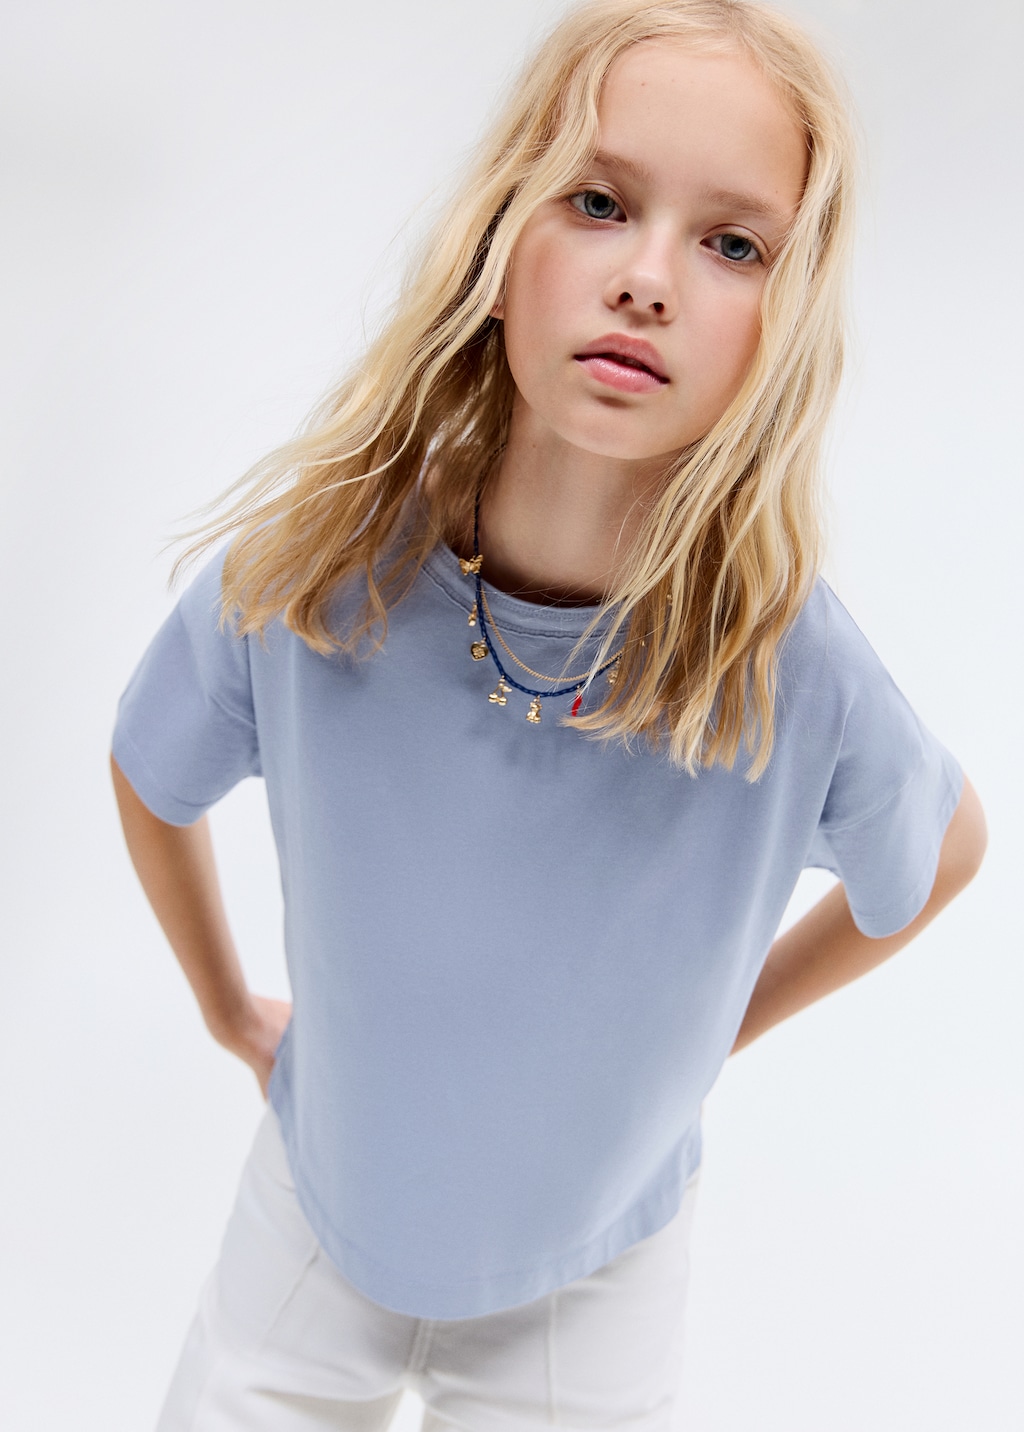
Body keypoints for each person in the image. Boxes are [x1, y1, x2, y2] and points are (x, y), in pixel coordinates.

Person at [110, 0, 987, 1427]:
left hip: (596, 1277)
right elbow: (152, 772)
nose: (647, 279)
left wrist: (707, 1040)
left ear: (782, 328)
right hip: (314, 1209)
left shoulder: (788, 668)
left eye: (733, 244)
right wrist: (225, 1010)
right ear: (498, 245)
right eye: (599, 202)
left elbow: (942, 854)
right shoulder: (320, 570)